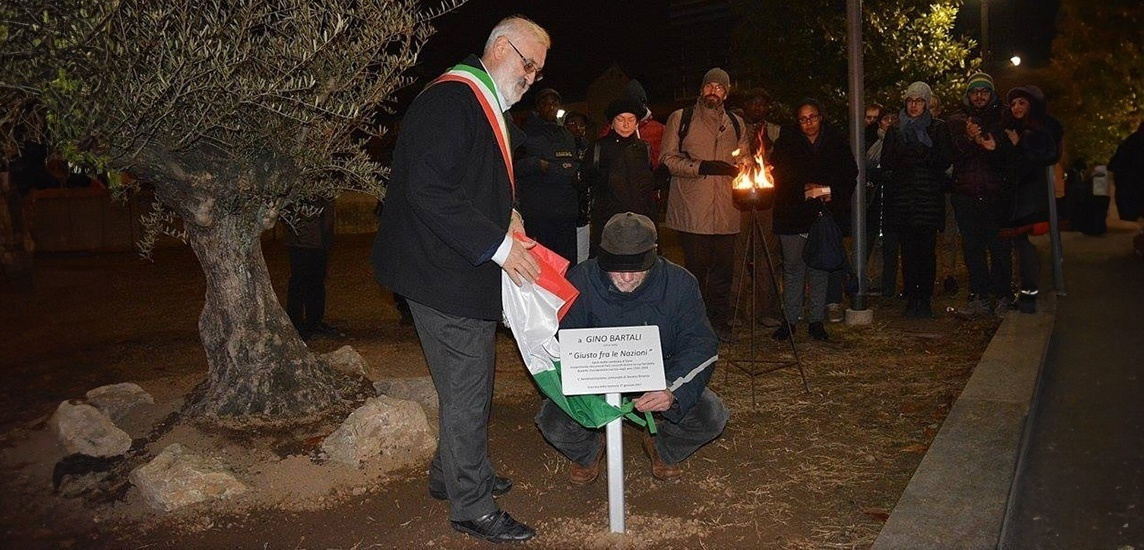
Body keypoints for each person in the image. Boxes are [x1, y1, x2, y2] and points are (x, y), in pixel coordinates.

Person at [370, 16, 549, 544]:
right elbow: (430, 190)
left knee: (462, 385)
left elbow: (475, 177)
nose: (533, 77)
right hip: (442, 272)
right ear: (498, 47)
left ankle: (448, 474)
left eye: (538, 71)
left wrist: (508, 214)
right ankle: (472, 504)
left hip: (450, 267)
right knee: (470, 387)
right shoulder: (453, 99)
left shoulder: (479, 101)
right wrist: (499, 246)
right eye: (528, 63)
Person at [535, 212, 728, 483]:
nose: (626, 277)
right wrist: (586, 392)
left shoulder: (680, 283)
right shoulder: (579, 281)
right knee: (551, 421)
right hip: (596, 378)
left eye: (636, 268)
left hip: (660, 374)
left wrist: (672, 389)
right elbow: (560, 344)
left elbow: (701, 344)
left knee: (712, 415)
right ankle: (589, 451)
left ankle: (663, 447)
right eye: (617, 267)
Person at [661, 68, 750, 342]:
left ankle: (718, 323)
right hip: (693, 208)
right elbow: (667, 159)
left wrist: (744, 170)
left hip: (726, 210)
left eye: (720, 87)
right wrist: (701, 167)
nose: (714, 91)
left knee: (724, 271)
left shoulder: (736, 123)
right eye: (709, 86)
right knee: (695, 271)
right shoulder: (681, 118)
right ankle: (693, 328)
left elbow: (745, 159)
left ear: (726, 92)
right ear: (701, 90)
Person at [770, 98, 857, 341]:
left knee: (819, 266)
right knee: (793, 267)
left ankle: (816, 320)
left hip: (823, 215)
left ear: (821, 117)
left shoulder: (835, 140)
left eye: (813, 117)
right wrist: (802, 187)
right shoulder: (787, 141)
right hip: (793, 214)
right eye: (803, 119)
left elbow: (850, 173)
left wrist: (830, 191)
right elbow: (779, 174)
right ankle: (790, 319)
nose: (809, 123)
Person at [880, 81, 953, 318]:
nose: (914, 105)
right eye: (910, 101)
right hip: (904, 201)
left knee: (926, 252)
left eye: (919, 101)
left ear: (926, 103)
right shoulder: (896, 130)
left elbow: (945, 158)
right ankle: (912, 297)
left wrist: (924, 155)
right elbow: (887, 162)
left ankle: (925, 298)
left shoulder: (937, 129)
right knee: (909, 253)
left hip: (928, 200)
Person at [946, 72, 1013, 318]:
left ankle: (1004, 294)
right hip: (966, 194)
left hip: (996, 195)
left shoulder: (1004, 119)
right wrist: (969, 138)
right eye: (975, 92)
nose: (979, 96)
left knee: (1000, 248)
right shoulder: (957, 120)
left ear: (991, 93)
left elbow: (1006, 155)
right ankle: (979, 296)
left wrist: (989, 144)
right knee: (972, 249)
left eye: (984, 91)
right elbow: (953, 153)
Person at [993, 85, 1058, 314]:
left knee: (1027, 249)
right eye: (1013, 104)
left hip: (1028, 202)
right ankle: (1024, 294)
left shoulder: (1034, 132)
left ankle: (1029, 296)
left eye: (1021, 103)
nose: (1016, 107)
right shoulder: (1015, 129)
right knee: (1019, 249)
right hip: (1016, 200)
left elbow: (1038, 161)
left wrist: (1017, 145)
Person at [732, 87, 783, 329]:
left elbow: (779, 162)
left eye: (762, 104)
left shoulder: (774, 130)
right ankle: (736, 310)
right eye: (753, 103)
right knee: (738, 254)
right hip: (739, 198)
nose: (757, 108)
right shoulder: (734, 126)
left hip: (765, 199)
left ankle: (768, 309)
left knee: (767, 253)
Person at [581, 97, 658, 256]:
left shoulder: (644, 149)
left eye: (631, 120)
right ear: (612, 122)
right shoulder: (598, 147)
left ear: (637, 122)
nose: (626, 124)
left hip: (640, 221)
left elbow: (649, 187)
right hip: (608, 222)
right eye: (620, 119)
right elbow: (584, 180)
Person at [515, 87, 581, 263]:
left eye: (554, 103)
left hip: (566, 211)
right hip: (540, 214)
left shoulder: (566, 134)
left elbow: (572, 163)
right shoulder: (524, 134)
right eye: (546, 103)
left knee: (567, 263)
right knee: (543, 265)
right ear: (538, 108)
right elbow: (514, 166)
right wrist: (538, 164)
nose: (551, 107)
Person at [284, 198, 340, 339]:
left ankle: (314, 322)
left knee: (316, 281)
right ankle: (297, 324)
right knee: (300, 281)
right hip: (303, 238)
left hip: (317, 239)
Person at [565, 110, 594, 263]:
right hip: (564, 210)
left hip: (584, 209)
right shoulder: (562, 145)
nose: (578, 128)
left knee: (583, 254)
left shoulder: (589, 147)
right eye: (573, 124)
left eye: (581, 125)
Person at [1109, 121, 1144, 226]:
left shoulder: (1129, 142)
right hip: (1131, 191)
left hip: (1128, 192)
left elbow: (1114, 166)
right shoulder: (1132, 143)